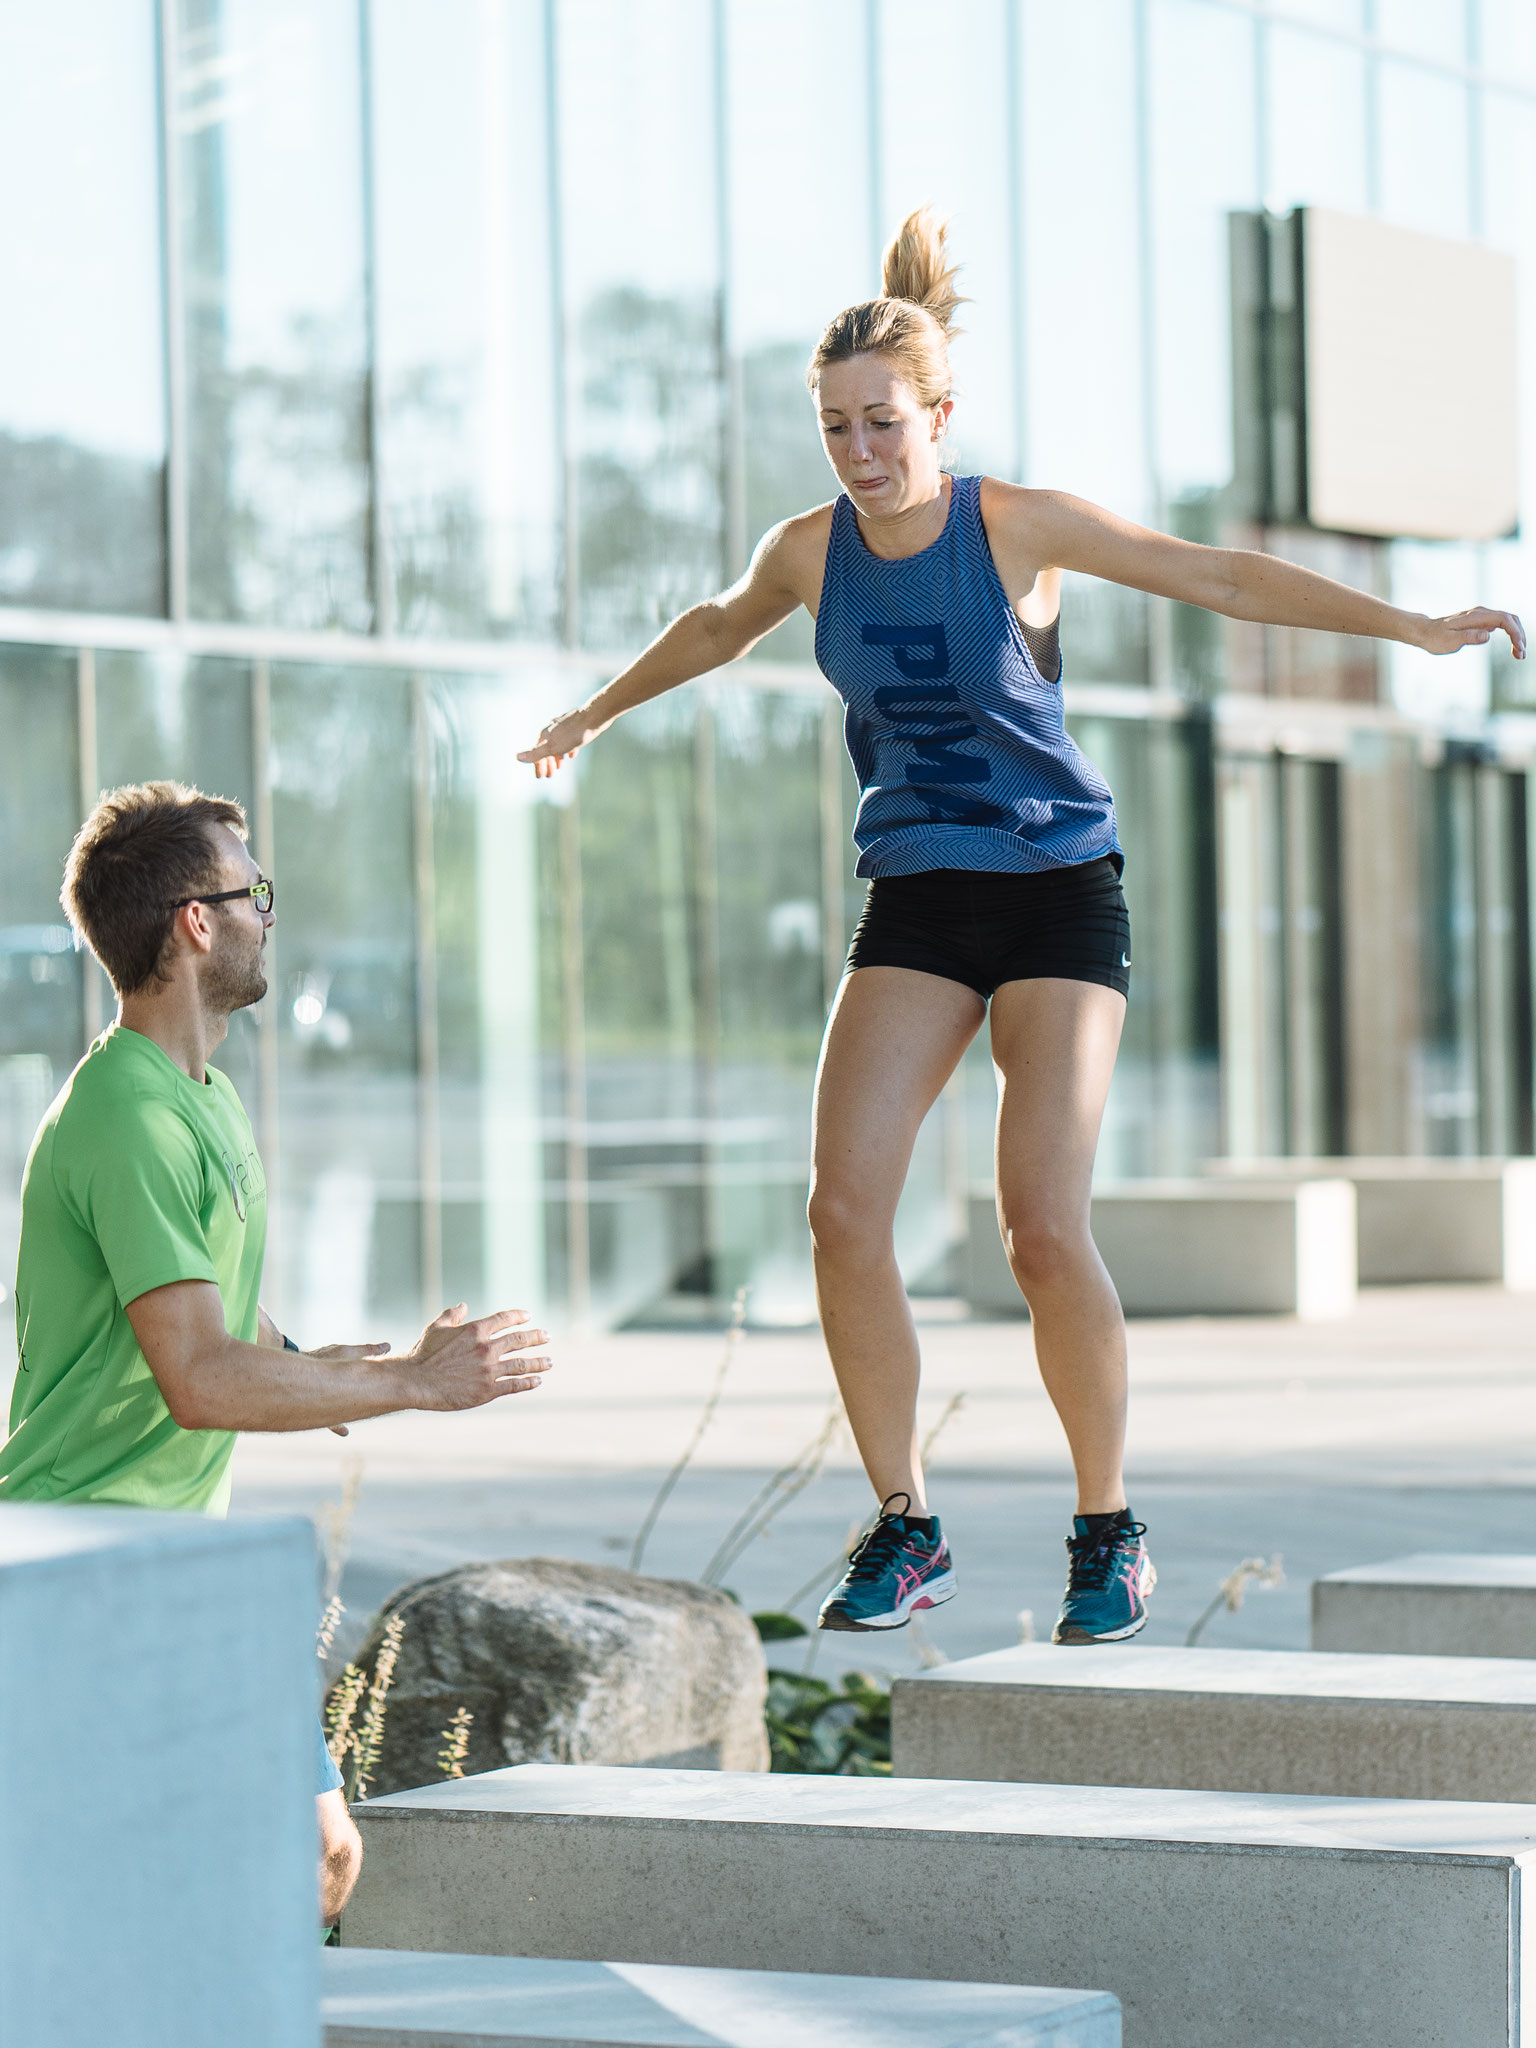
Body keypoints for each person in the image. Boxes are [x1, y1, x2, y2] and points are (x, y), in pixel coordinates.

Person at [518, 208, 1525, 1646]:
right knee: (842, 1210)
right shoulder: (813, 553)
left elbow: (1224, 578)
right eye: (837, 430)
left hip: (1058, 885)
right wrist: (587, 718)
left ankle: (1107, 1528)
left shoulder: (1017, 527)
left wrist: (1417, 632)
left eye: (883, 425)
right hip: (920, 894)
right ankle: (905, 1521)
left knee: (1041, 1228)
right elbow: (712, 623)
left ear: (939, 414)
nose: (862, 453)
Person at [1, 781, 552, 1932]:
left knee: (313, 1856)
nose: (266, 912)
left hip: (182, 1561)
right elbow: (197, 1378)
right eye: (252, 891)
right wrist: (411, 1384)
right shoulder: (126, 1115)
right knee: (124, 1885)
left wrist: (325, 1364)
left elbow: (221, 1321)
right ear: (194, 922)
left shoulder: (207, 1097)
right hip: (84, 1555)